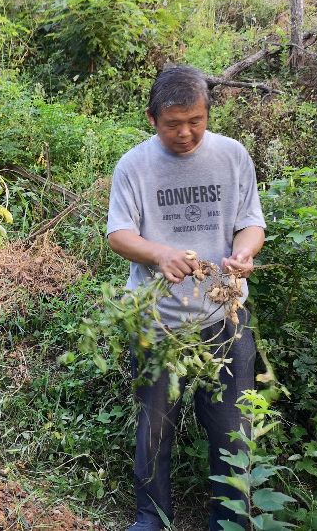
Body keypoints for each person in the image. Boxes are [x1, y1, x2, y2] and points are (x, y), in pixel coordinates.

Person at [105, 65, 266, 531]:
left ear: (207, 114)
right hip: (158, 321)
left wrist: (245, 251)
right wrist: (160, 254)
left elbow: (251, 222)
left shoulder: (232, 156)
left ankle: (230, 520)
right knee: (155, 427)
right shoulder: (134, 166)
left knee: (233, 428)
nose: (185, 133)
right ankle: (151, 518)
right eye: (173, 123)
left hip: (225, 316)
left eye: (196, 121)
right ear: (152, 118)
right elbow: (119, 234)